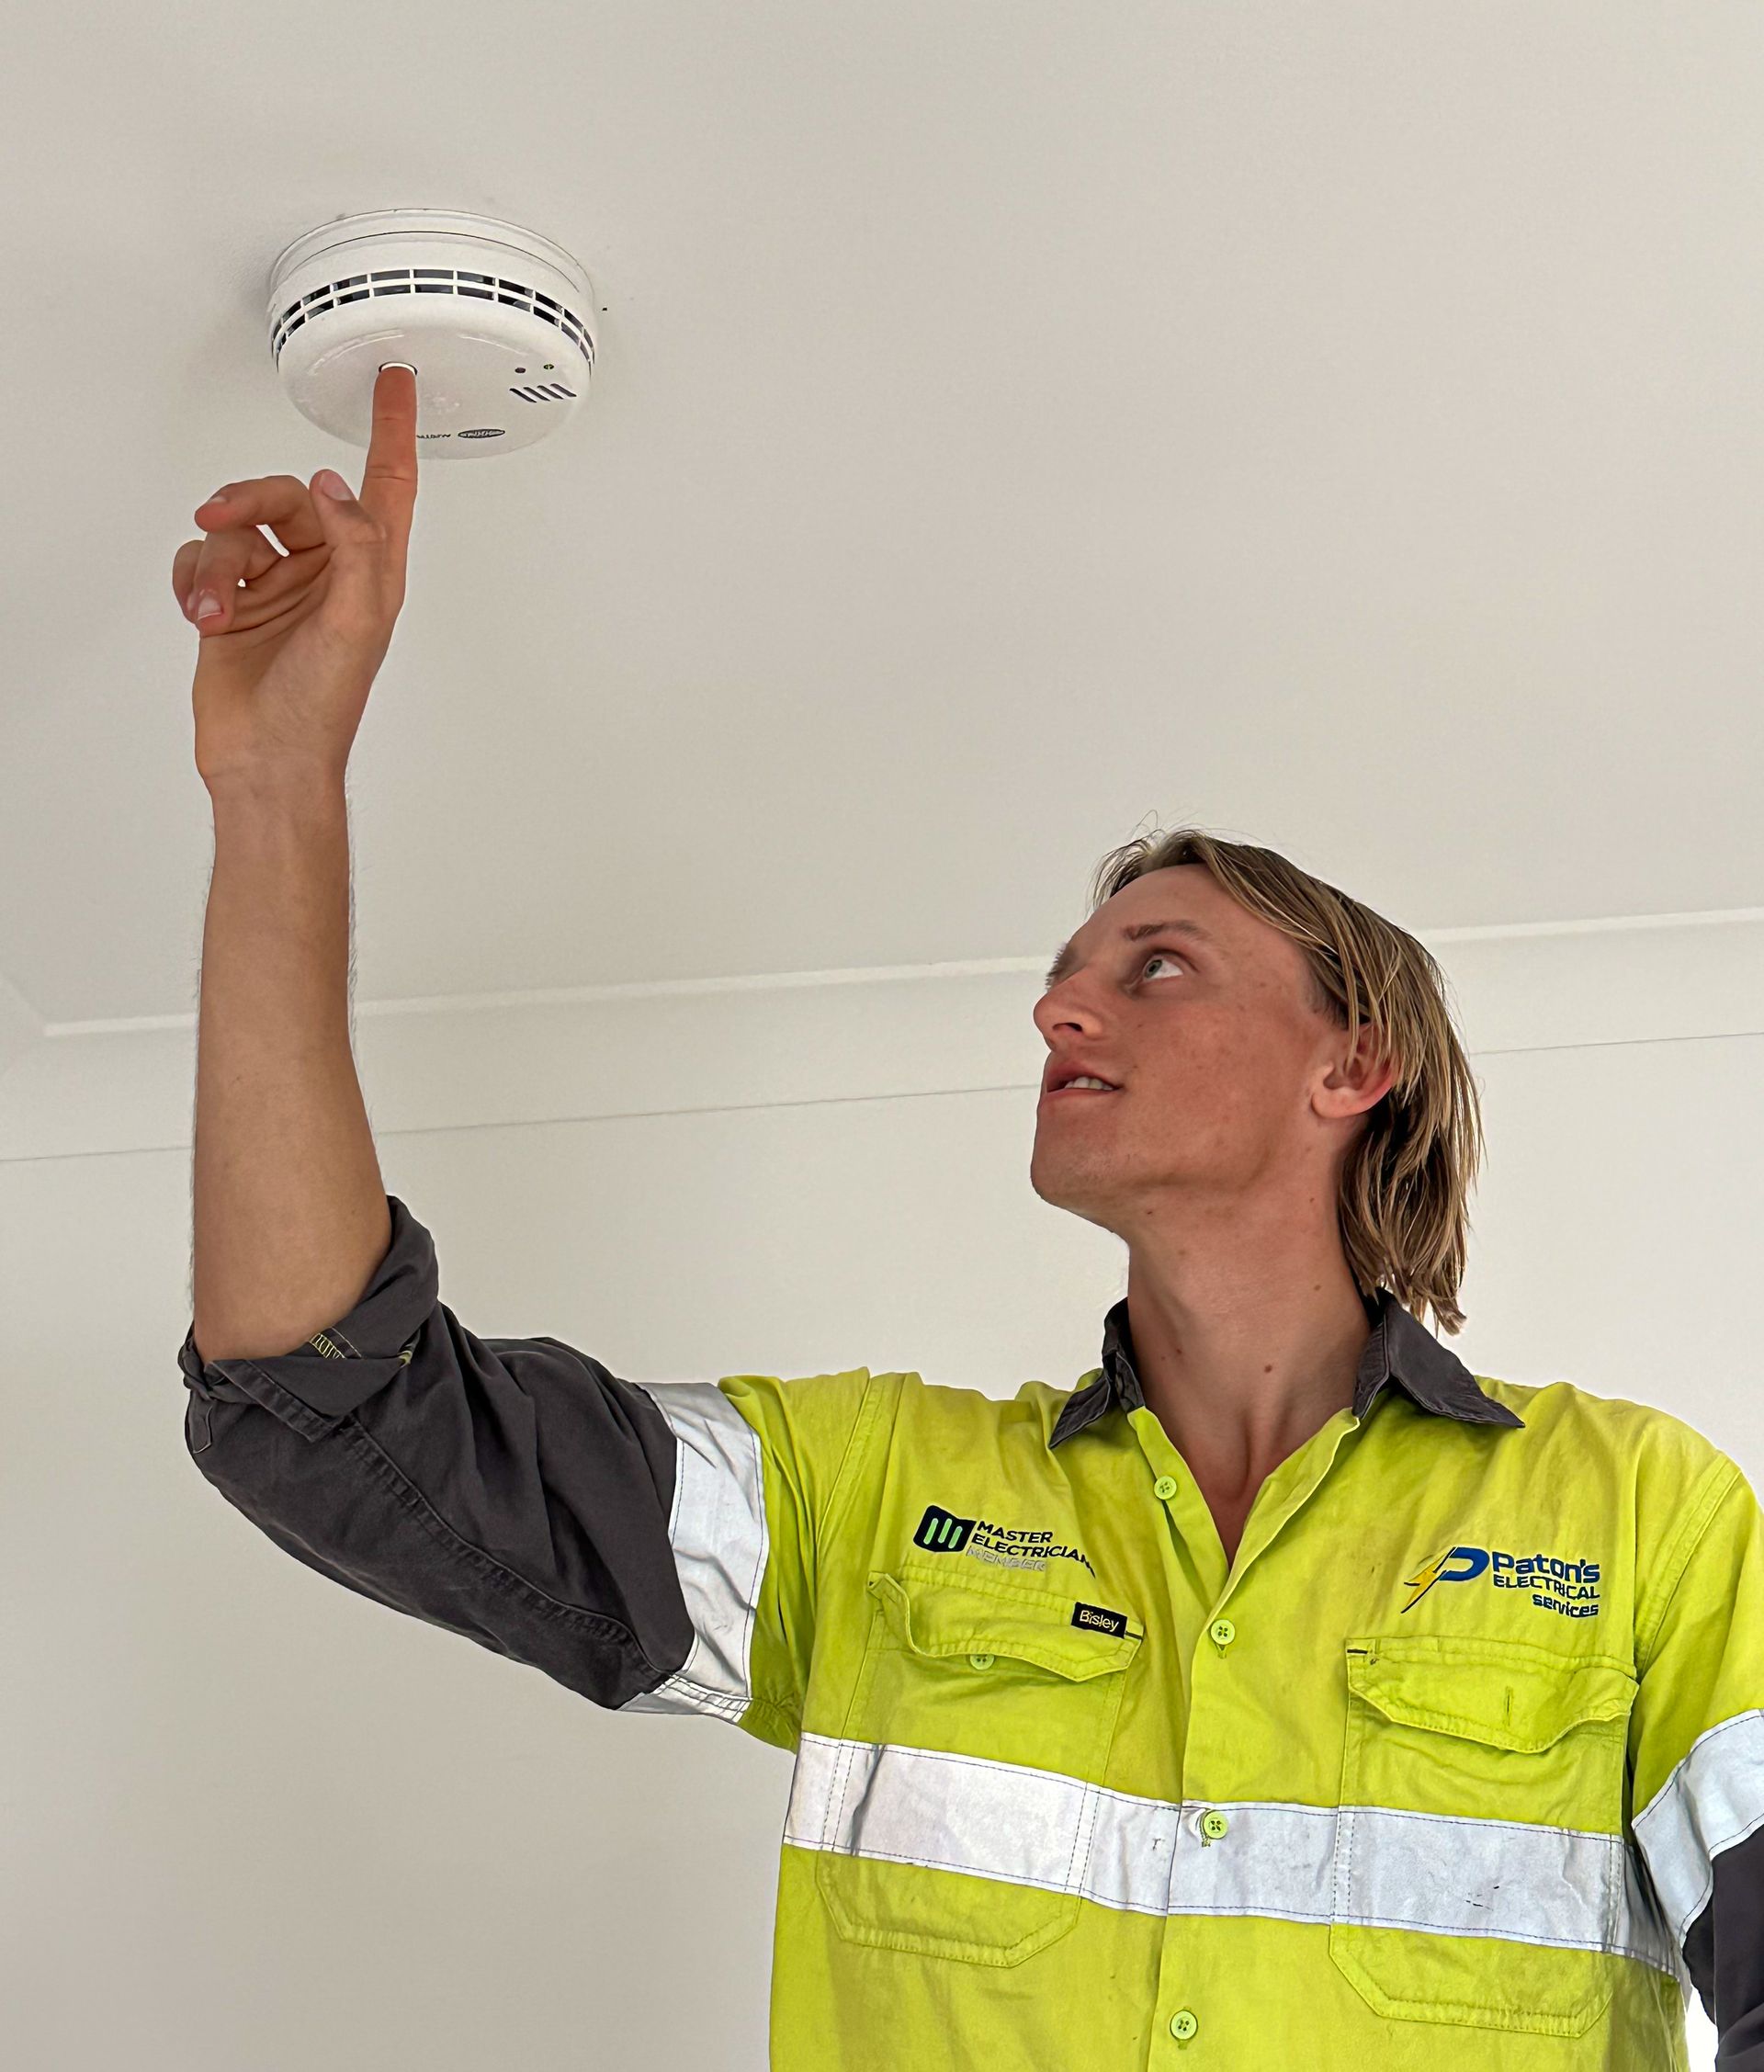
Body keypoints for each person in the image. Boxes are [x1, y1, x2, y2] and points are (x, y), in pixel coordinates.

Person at [173, 366, 1764, 2070]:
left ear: (1351, 1064)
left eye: (1156, 969)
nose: (1062, 1016)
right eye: (1065, 982)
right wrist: (282, 787)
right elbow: (335, 1409)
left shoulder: (1640, 1517)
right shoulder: (872, 1502)